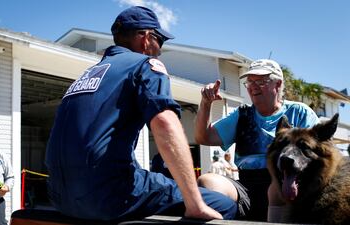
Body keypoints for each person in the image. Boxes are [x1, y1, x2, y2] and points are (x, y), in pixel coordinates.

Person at [45, 6, 238, 222]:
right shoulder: (145, 65)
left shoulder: (85, 77)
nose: (160, 50)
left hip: (59, 197)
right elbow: (165, 124)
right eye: (160, 41)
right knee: (223, 205)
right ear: (146, 38)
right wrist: (195, 204)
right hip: (108, 195)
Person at [194, 59, 320, 221]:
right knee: (207, 181)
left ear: (278, 84)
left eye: (261, 81)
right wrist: (205, 103)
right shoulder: (242, 115)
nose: (253, 86)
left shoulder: (299, 112)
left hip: (286, 181)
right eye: (250, 81)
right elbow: (202, 137)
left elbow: (315, 151)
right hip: (247, 185)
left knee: (275, 189)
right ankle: (231, 218)